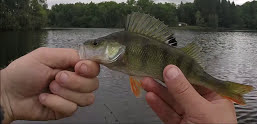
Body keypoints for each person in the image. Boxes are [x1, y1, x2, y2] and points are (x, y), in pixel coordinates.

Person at [0, 47, 237, 124]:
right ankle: (227, 89)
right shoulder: (120, 62)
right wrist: (6, 96)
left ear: (116, 49)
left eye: (96, 44)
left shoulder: (124, 58)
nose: (90, 47)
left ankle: (226, 88)